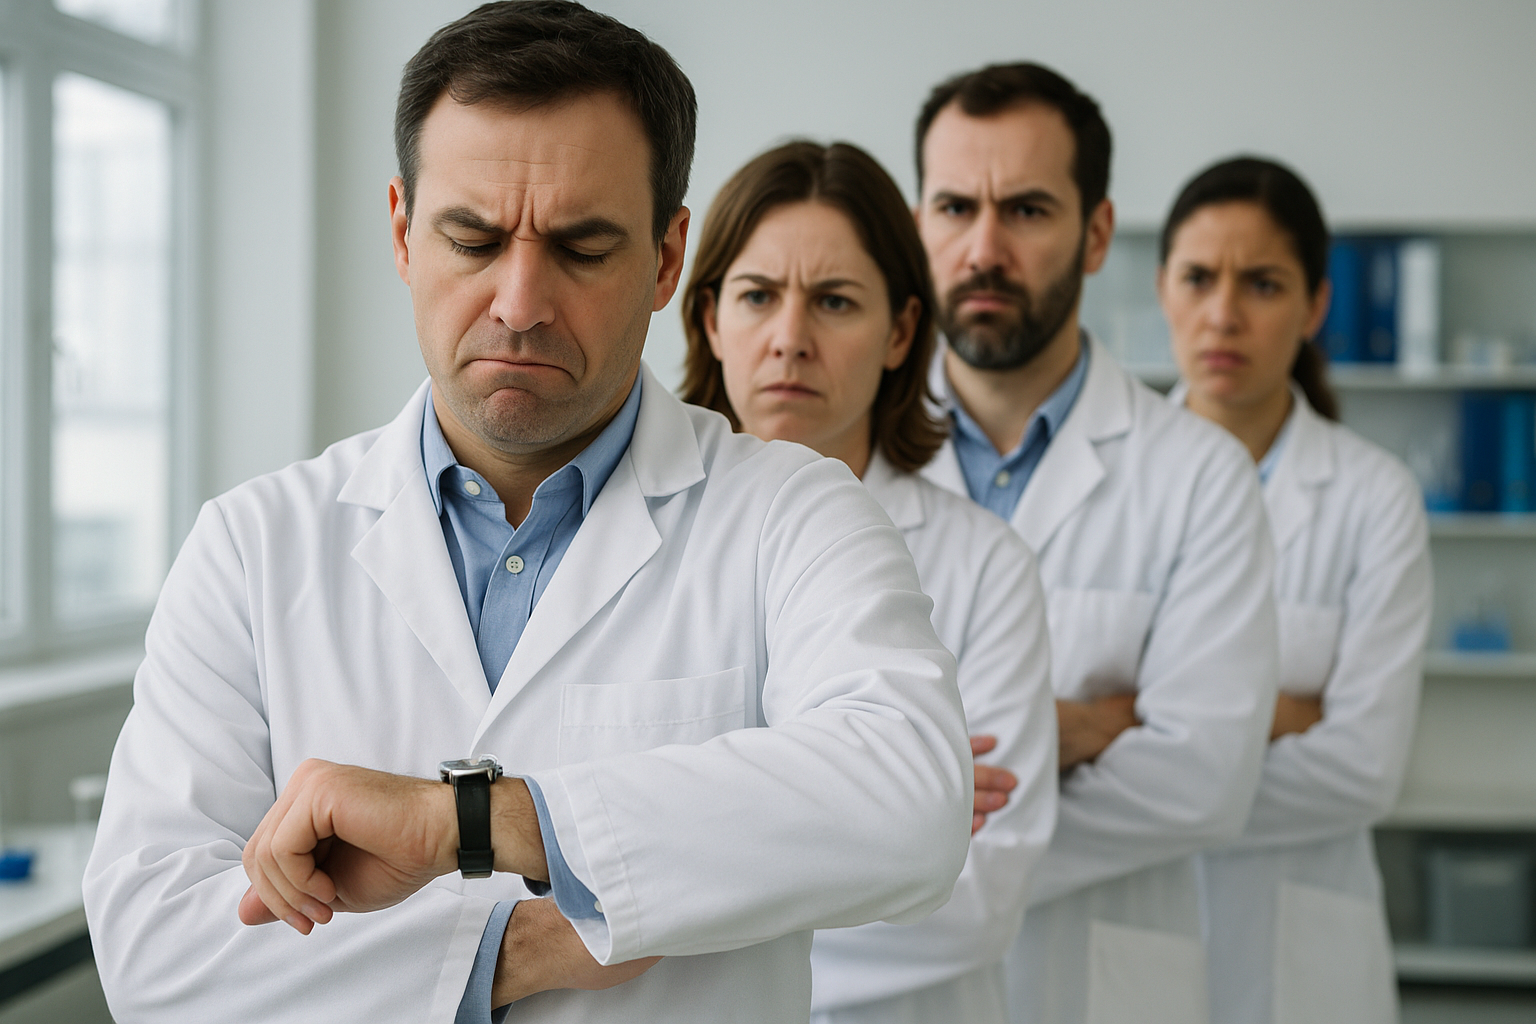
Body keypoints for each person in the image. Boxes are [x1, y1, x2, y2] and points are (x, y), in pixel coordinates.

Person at [81, 5, 975, 1022]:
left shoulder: (791, 513)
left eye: (583, 248)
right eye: (471, 237)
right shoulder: (252, 546)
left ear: (668, 257)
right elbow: (153, 945)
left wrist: (480, 821)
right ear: (402, 232)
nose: (519, 301)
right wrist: (506, 950)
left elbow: (911, 801)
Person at [912, 62, 1280, 1024]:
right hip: (887, 987)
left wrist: (899, 810)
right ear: (917, 222)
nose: (983, 248)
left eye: (1028, 210)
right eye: (954, 206)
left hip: (1099, 987)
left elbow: (1202, 783)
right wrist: (1065, 728)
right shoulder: (843, 460)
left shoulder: (1200, 476)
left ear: (1097, 234)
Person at [679, 139, 1058, 1024]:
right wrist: (872, 816)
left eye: (835, 302)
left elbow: (976, 900)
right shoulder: (617, 545)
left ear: (899, 333)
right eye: (758, 296)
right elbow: (557, 840)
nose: (789, 339)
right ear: (708, 320)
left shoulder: (986, 567)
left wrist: (683, 840)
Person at [1158, 156, 1432, 1024]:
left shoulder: (1374, 496)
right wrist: (1275, 713)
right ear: (1163, 287)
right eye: (1198, 277)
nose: (1224, 313)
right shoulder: (1102, 483)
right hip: (1134, 927)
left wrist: (1152, 727)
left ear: (1315, 306)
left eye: (1264, 284)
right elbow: (1040, 730)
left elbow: (1363, 770)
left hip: (1303, 959)